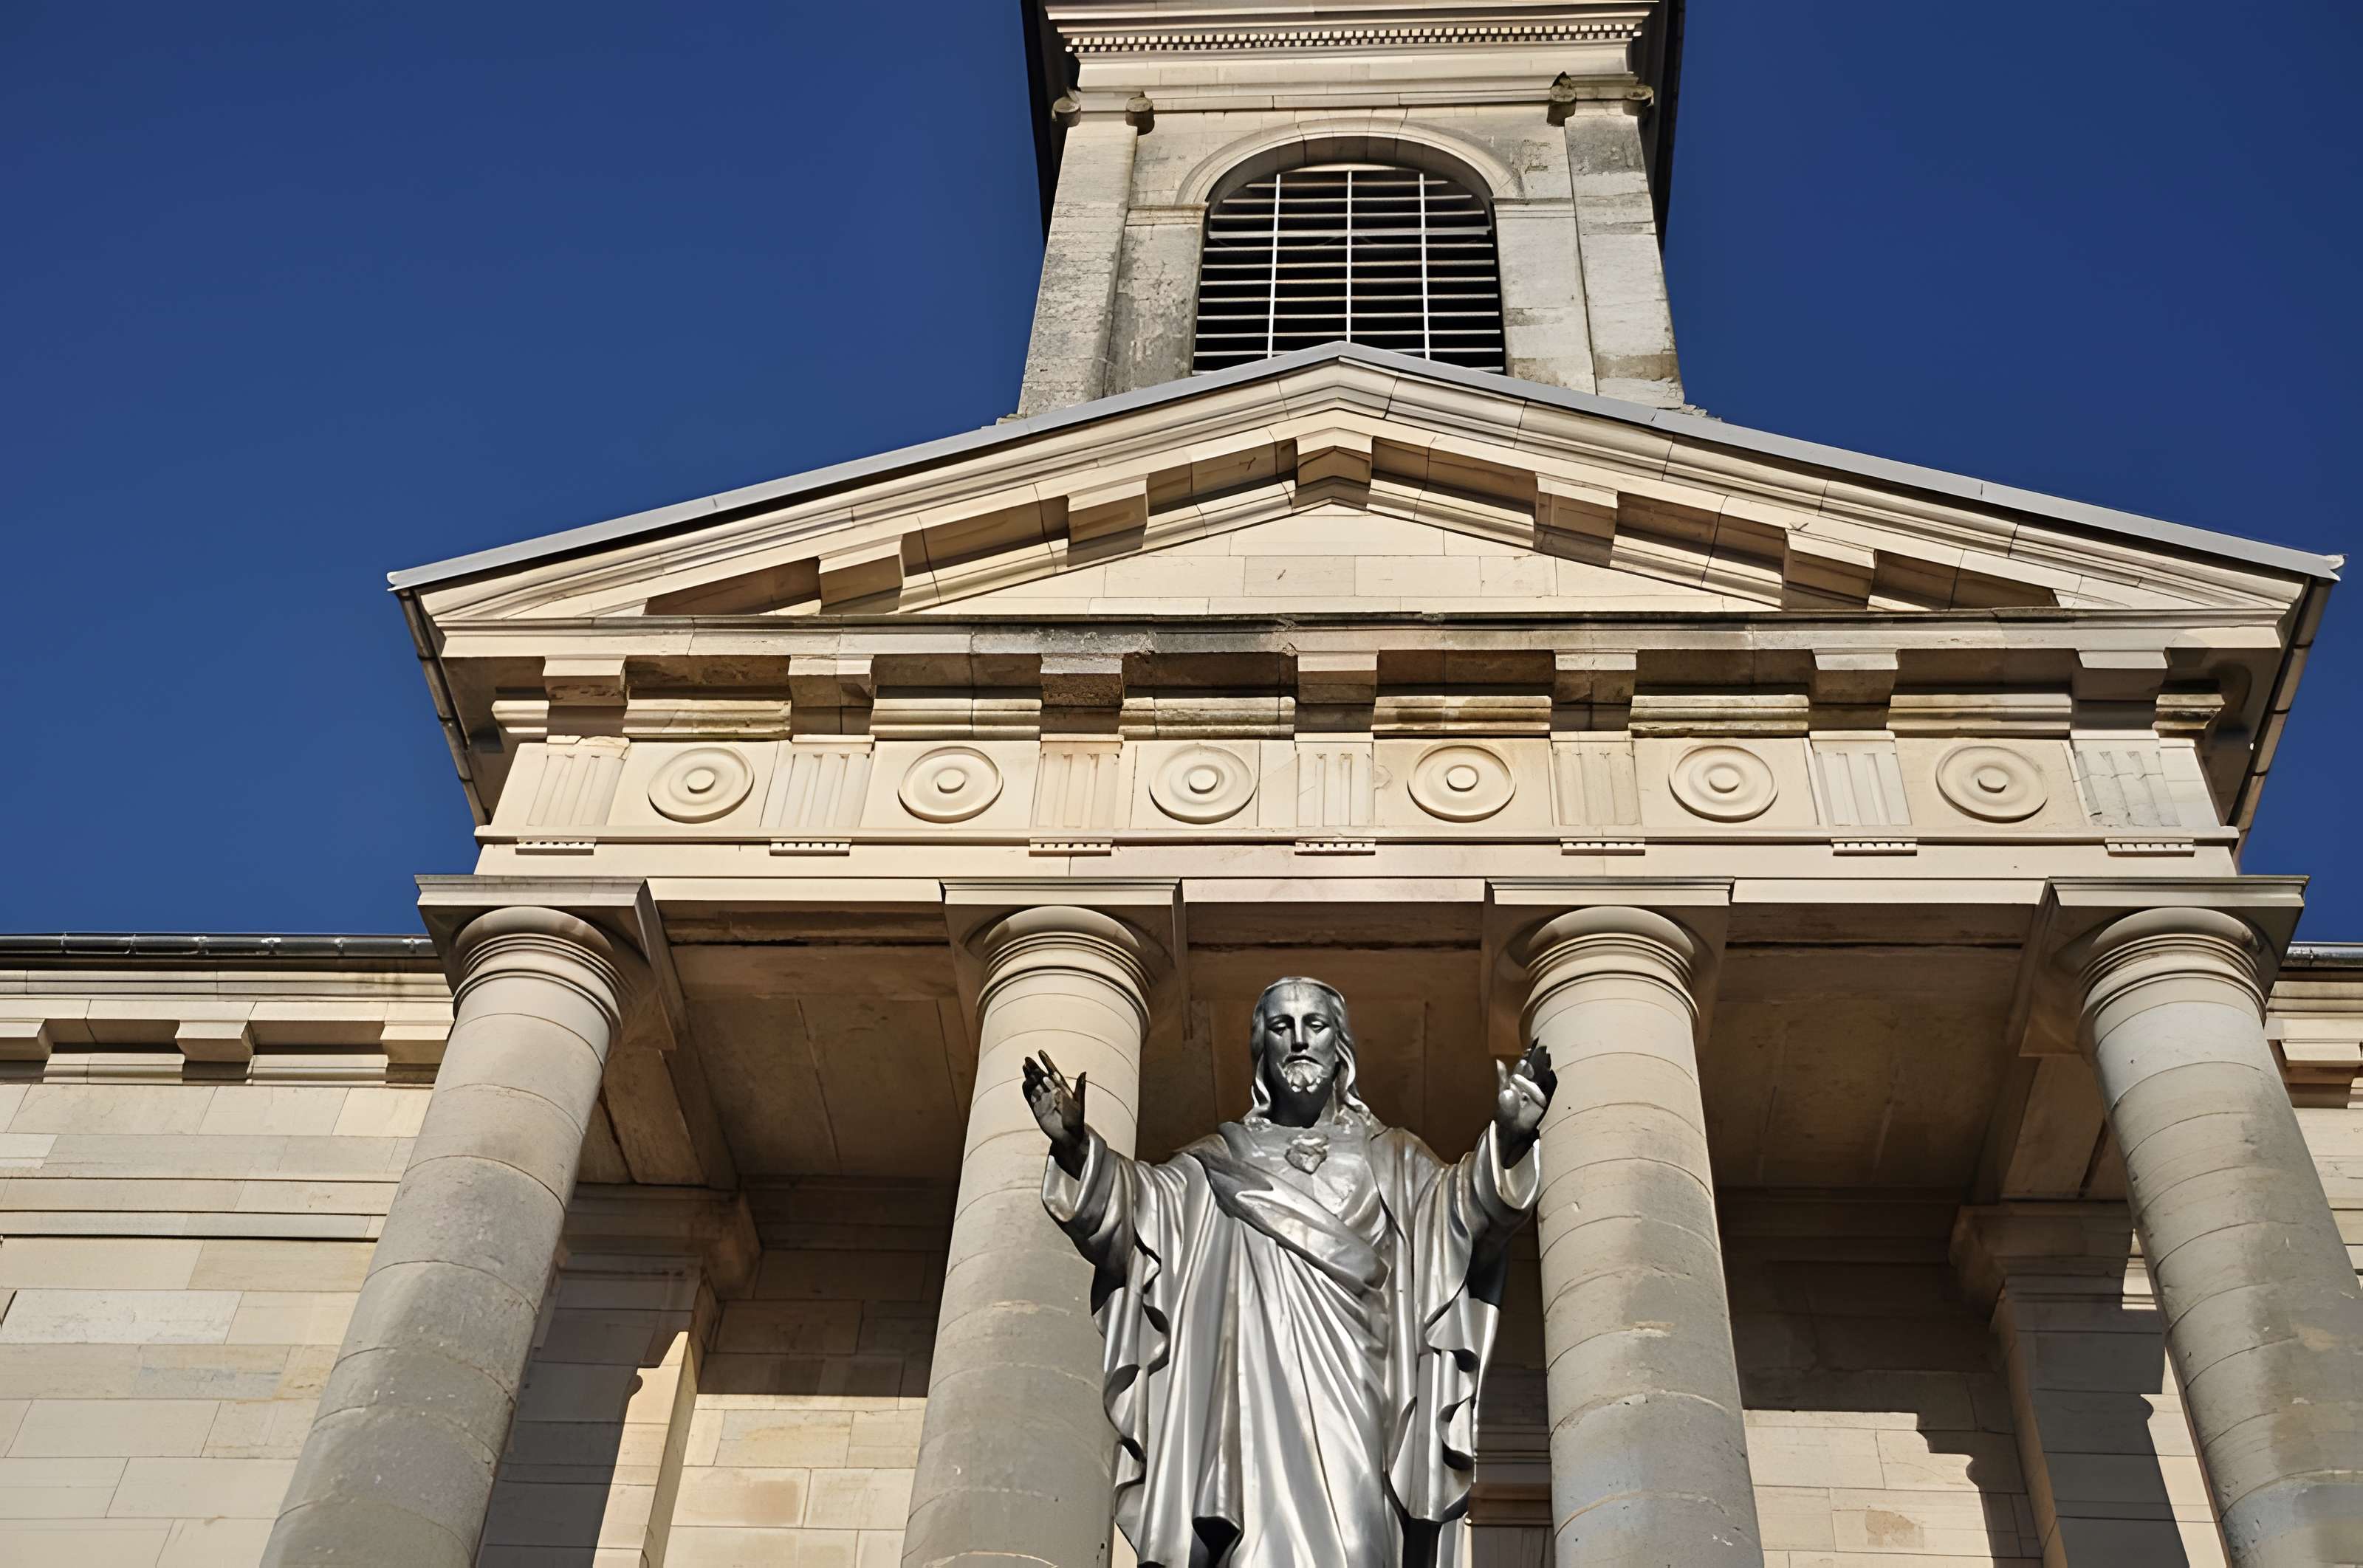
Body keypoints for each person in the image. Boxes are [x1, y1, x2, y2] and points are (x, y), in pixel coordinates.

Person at [1023, 976, 1556, 1567]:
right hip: (1246, 1403)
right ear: (1262, 1050)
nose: (1299, 1041)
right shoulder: (1217, 1161)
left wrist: (1508, 1141)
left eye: (1315, 1025)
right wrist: (1077, 1148)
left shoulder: (1394, 1155)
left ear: (1341, 1047)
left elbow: (1461, 1213)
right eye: (1281, 1027)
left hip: (1356, 1395)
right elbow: (1141, 1209)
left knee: (1361, 1546)